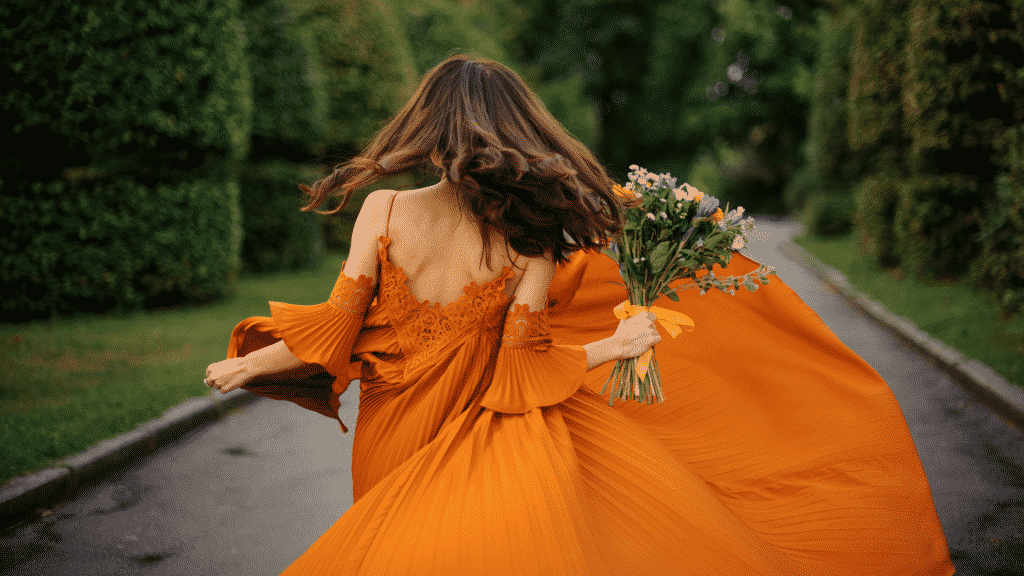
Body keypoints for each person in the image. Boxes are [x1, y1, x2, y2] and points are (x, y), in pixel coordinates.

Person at [204, 54, 955, 575]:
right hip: (473, 446)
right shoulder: (531, 238)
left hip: (390, 440)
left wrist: (247, 363)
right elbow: (521, 370)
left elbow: (335, 331)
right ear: (513, 131)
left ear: (431, 127)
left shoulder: (384, 209)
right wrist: (617, 342)